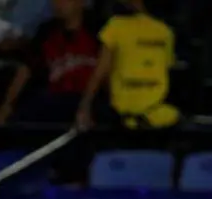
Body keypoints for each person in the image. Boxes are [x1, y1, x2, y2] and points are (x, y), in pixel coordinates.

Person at [0, 0, 100, 125]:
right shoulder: (46, 31)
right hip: (55, 99)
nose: (57, 4)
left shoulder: (98, 28)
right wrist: (7, 105)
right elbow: (26, 69)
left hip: (92, 97)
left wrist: (87, 103)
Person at [76, 0, 178, 130]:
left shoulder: (115, 27)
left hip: (123, 121)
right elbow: (167, 72)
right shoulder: (165, 31)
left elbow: (101, 71)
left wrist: (85, 106)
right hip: (157, 119)